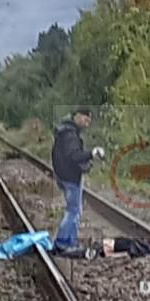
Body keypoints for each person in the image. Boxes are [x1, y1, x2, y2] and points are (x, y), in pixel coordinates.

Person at [50, 107, 104, 253]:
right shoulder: (70, 135)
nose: (87, 124)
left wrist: (84, 164)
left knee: (74, 210)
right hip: (70, 178)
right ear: (78, 116)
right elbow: (74, 156)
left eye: (89, 122)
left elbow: (69, 155)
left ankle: (69, 242)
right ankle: (63, 243)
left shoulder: (65, 131)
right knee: (73, 211)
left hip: (64, 175)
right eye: (86, 120)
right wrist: (91, 154)